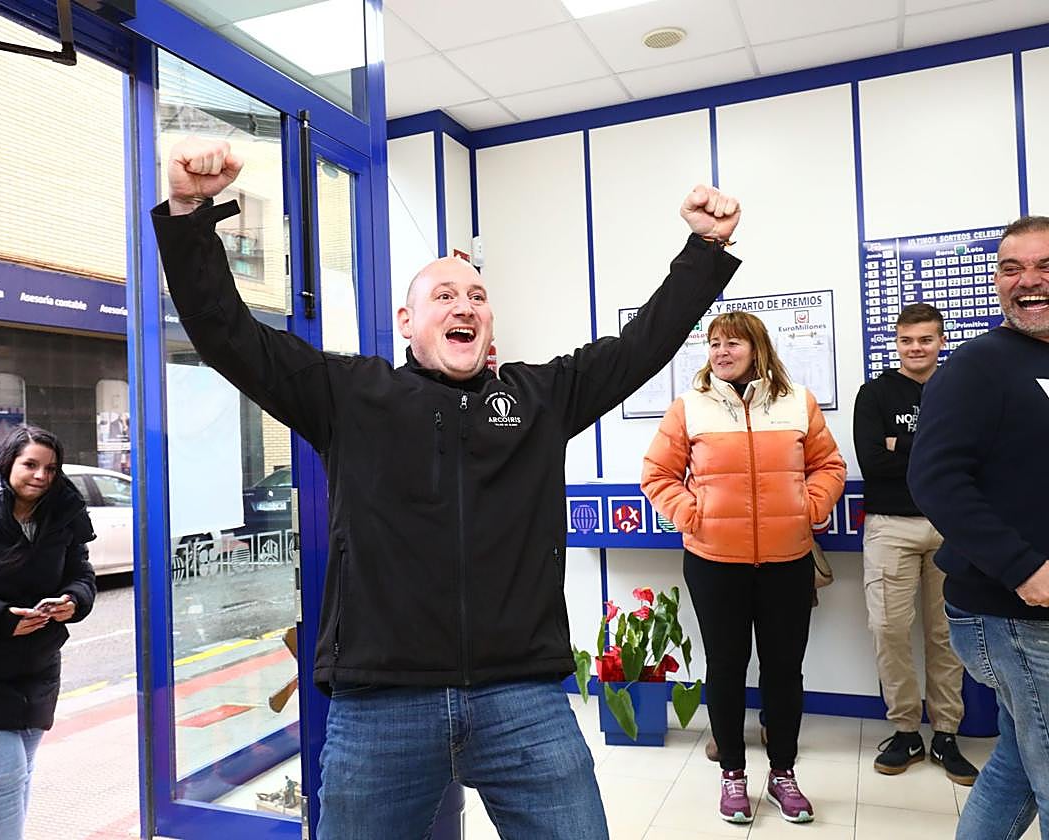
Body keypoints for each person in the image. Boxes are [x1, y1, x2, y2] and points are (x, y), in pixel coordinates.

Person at [152, 136, 742, 839]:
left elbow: (641, 345)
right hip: (381, 705)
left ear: (488, 324)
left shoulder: (539, 397)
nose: (465, 305)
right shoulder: (348, 395)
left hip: (520, 695)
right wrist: (190, 211)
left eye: (477, 296)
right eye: (443, 295)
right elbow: (228, 337)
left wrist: (703, 251)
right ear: (407, 322)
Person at [641, 311, 845, 825]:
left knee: (783, 671)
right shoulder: (690, 407)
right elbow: (657, 473)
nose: (721, 352)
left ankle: (783, 774)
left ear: (757, 347)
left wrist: (810, 506)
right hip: (714, 562)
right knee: (726, 669)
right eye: (713, 344)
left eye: (732, 342)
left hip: (787, 561)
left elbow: (829, 465)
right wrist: (694, 515)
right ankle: (732, 774)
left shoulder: (797, 402)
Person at [908, 216, 1049, 840]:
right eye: (1013, 268)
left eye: (1045, 266)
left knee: (1019, 766)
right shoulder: (978, 365)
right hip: (1012, 613)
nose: (1029, 282)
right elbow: (935, 481)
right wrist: (1026, 568)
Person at [853, 303, 979, 784]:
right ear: (897, 342)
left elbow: (974, 456)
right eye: (907, 340)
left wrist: (900, 444)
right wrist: (932, 450)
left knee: (946, 636)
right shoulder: (875, 394)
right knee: (888, 629)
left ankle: (946, 733)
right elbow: (872, 462)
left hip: (953, 526)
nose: (916, 349)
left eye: (925, 340)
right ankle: (905, 729)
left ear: (941, 341)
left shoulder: (961, 393)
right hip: (890, 526)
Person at [0, 426, 97, 839]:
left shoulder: (65, 514)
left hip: (39, 665)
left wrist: (72, 602)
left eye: (50, 468)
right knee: (4, 776)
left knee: (21, 773)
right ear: (8, 463)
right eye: (30, 465)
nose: (41, 476)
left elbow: (82, 575)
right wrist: (1, 616)